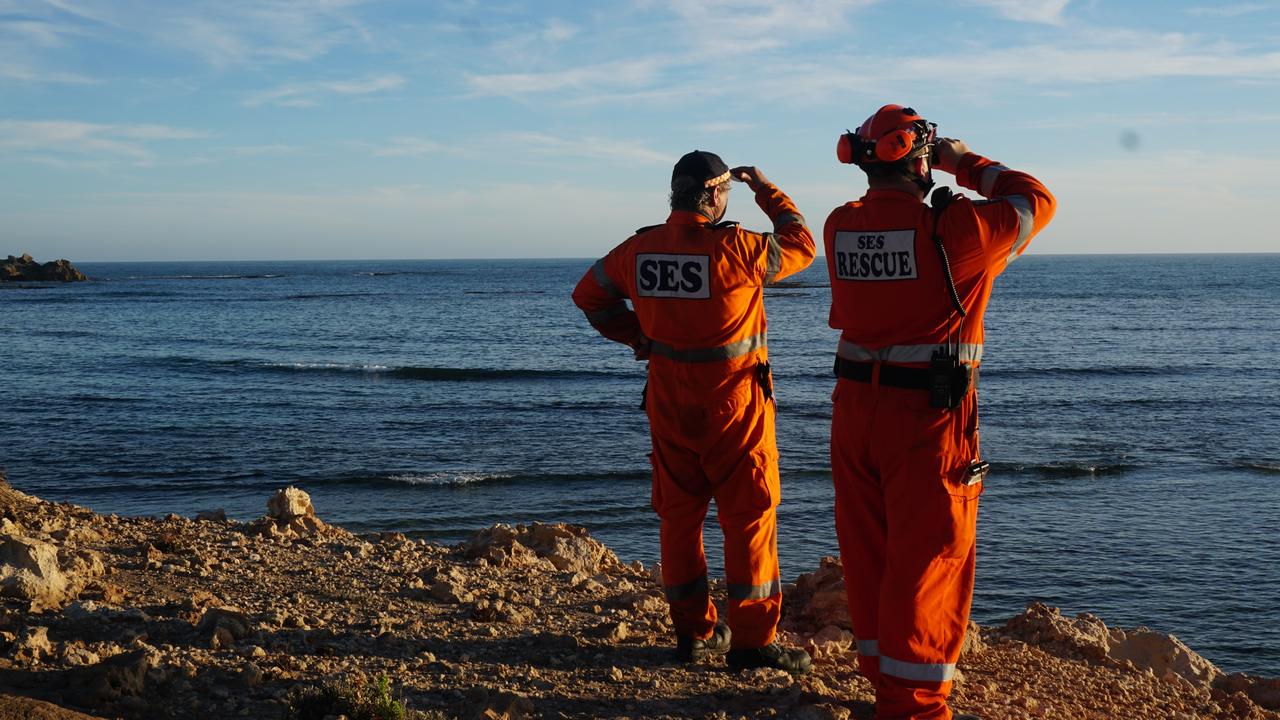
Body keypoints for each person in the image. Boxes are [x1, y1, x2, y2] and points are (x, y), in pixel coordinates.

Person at [824, 105, 1056, 719]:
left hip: (854, 413)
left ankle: (886, 685)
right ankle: (916, 708)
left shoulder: (839, 226)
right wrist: (963, 162)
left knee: (869, 549)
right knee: (930, 558)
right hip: (927, 419)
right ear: (917, 155)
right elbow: (1037, 199)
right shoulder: (957, 231)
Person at [572, 150, 816, 673]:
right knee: (748, 519)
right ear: (716, 196)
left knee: (679, 521)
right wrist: (767, 190)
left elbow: (588, 296)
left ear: (675, 194)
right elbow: (802, 245)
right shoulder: (737, 248)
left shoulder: (639, 250)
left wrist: (636, 335)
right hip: (735, 408)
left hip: (667, 401)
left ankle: (695, 634)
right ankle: (751, 641)